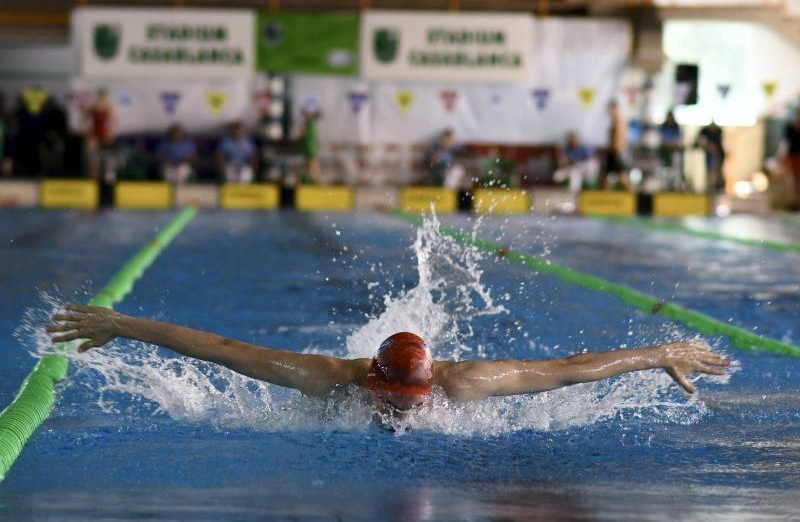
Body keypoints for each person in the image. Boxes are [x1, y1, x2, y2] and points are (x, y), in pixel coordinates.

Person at [47, 305, 731, 430]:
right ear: (370, 384)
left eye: (408, 403)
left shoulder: (462, 384)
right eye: (390, 403)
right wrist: (121, 323)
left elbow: (569, 369)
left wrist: (659, 354)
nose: (400, 414)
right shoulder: (325, 379)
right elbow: (224, 351)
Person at [85, 88, 117, 182]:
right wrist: (86, 130)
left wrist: (112, 132)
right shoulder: (93, 107)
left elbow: (114, 121)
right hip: (94, 134)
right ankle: (93, 177)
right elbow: (84, 118)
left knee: (108, 155)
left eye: (104, 97)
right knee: (93, 157)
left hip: (105, 134)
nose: (102, 99)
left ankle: (109, 176)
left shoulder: (108, 107)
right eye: (101, 97)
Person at [601, 101, 632, 191]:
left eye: (612, 109)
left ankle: (635, 197)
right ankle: (606, 199)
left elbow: (619, 140)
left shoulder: (619, 122)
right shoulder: (613, 121)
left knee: (622, 178)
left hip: (617, 152)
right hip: (613, 152)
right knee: (605, 177)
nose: (610, 112)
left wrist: (616, 150)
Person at [694, 120, 725, 194]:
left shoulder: (718, 133)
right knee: (711, 172)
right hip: (710, 155)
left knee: (716, 171)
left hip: (717, 155)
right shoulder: (705, 132)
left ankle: (716, 186)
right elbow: (700, 141)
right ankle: (712, 186)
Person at [658, 110, 684, 191]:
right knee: (664, 171)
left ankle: (675, 186)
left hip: (674, 153)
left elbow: (678, 141)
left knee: (675, 170)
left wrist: (672, 144)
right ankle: (664, 186)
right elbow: (662, 140)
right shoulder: (663, 127)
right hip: (664, 153)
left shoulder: (677, 128)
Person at [781, 108, 800, 210]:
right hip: (792, 157)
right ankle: (793, 202)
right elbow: (786, 144)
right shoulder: (790, 129)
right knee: (792, 180)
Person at [300, 108, 323, 184]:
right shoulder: (309, 125)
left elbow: (302, 135)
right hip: (309, 149)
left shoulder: (309, 125)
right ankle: (316, 180)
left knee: (312, 165)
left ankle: (317, 180)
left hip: (310, 149)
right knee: (311, 165)